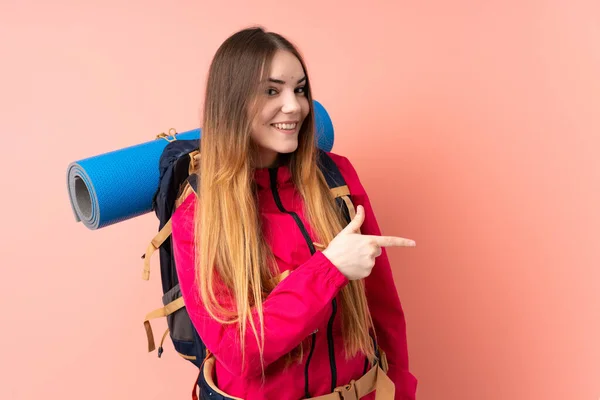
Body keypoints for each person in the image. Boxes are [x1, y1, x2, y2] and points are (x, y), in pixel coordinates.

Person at [170, 26, 418, 400]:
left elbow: (383, 310)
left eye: (300, 89)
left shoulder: (336, 176)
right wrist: (329, 268)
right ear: (233, 101)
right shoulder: (198, 211)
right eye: (272, 91)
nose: (294, 106)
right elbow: (240, 350)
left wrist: (401, 390)